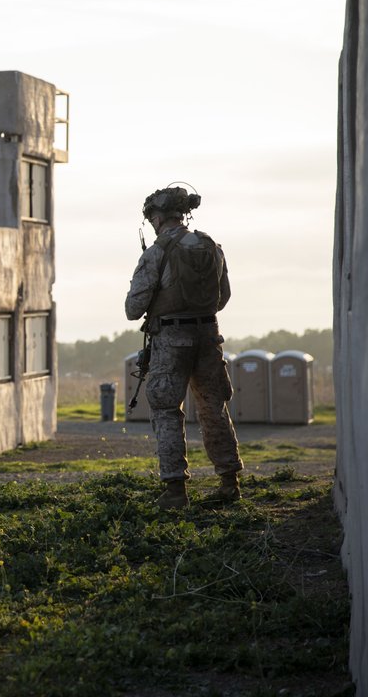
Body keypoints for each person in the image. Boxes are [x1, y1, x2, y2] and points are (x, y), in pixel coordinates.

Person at [124, 186, 243, 509]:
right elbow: (224, 297)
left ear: (158, 218)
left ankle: (175, 489)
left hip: (171, 340)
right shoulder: (211, 247)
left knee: (165, 411)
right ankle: (229, 481)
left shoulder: (156, 252)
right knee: (212, 407)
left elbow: (134, 307)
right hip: (208, 336)